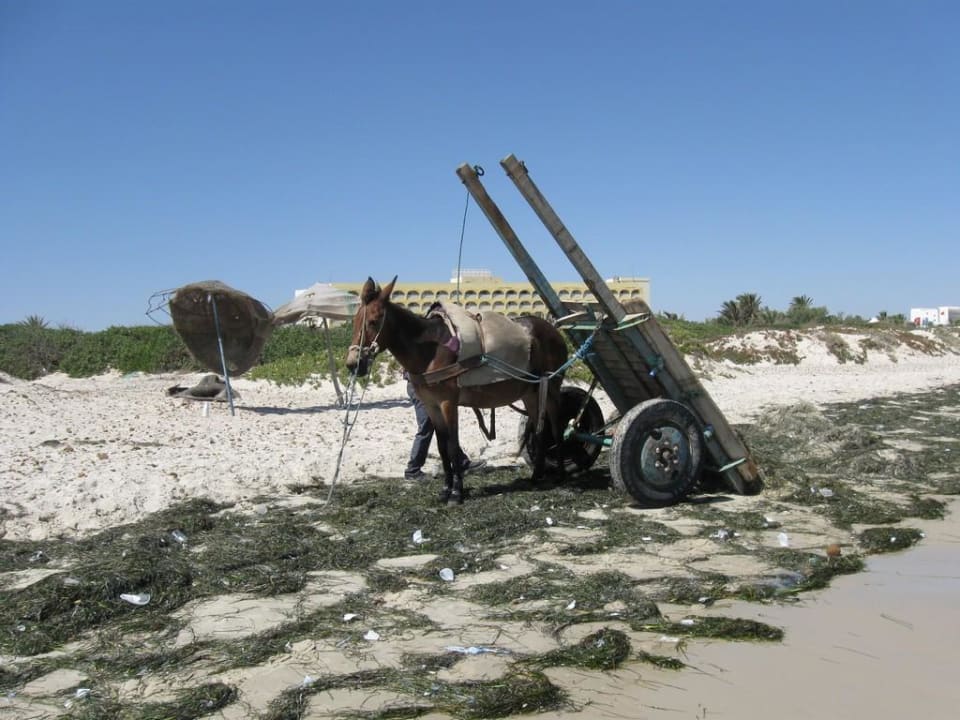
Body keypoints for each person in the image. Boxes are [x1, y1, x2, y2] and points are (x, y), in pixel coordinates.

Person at [404, 379, 486, 480]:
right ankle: (413, 470)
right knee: (426, 428)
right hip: (420, 387)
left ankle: (461, 461)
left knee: (443, 427)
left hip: (428, 387)